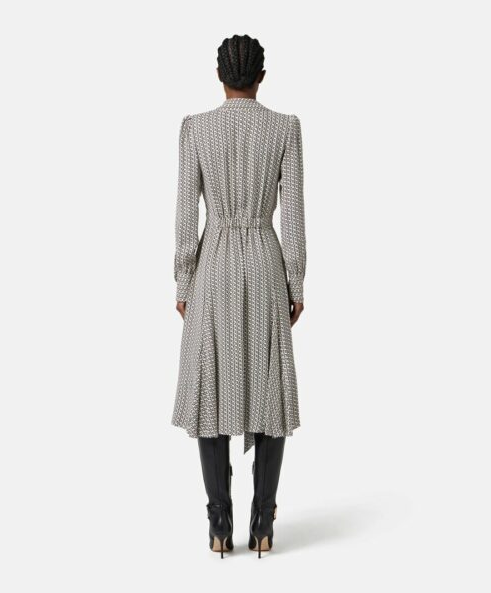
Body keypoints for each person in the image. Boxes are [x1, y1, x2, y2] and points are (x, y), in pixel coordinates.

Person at [171, 34, 306, 558]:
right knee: (269, 384)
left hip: (214, 264)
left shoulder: (196, 128)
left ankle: (219, 525)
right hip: (266, 262)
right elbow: (293, 218)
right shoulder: (284, 128)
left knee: (211, 383)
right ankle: (264, 522)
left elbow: (186, 215)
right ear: (261, 77)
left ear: (219, 76)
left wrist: (184, 280)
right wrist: (296, 282)